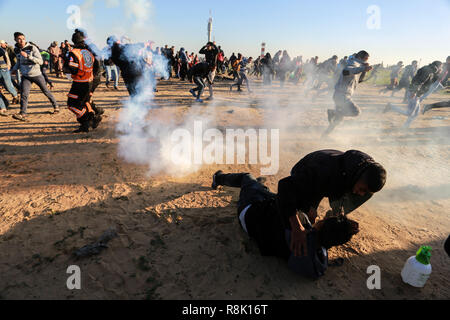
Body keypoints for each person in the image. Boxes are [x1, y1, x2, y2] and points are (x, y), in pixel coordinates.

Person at [211, 171, 360, 279]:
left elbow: (285, 195)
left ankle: (218, 178)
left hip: (250, 211)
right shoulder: (319, 260)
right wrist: (344, 231)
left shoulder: (299, 226)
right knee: (265, 191)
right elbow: (328, 236)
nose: (323, 218)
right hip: (260, 220)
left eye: (325, 220)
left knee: (246, 178)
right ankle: (259, 186)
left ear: (321, 226)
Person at [277, 149, 387, 258]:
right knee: (301, 215)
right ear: (358, 176)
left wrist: (343, 224)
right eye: (362, 189)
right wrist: (297, 227)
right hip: (307, 170)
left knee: (319, 216)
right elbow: (285, 185)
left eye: (365, 191)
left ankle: (334, 214)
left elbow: (332, 187)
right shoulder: (324, 171)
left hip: (335, 178)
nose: (361, 194)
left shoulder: (365, 170)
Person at [11, 32, 59, 121]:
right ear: (15, 40)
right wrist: (14, 69)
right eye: (19, 39)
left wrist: (28, 56)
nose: (21, 41)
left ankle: (56, 106)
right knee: (24, 94)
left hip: (36, 74)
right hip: (25, 76)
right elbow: (19, 61)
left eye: (23, 38)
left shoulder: (32, 48)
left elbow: (40, 61)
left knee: (45, 91)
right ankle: (23, 113)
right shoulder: (16, 49)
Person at [324, 51, 372, 137]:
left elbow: (359, 80)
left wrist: (364, 70)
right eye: (365, 59)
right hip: (342, 95)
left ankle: (325, 135)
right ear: (361, 57)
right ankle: (333, 112)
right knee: (356, 112)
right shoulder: (353, 62)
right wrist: (363, 68)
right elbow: (346, 71)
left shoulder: (357, 64)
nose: (365, 61)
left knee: (338, 119)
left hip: (340, 95)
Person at [384, 61, 443, 127]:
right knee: (410, 113)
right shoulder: (428, 71)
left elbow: (426, 82)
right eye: (441, 67)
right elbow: (420, 81)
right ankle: (391, 107)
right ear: (438, 66)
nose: (442, 68)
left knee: (415, 114)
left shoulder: (431, 71)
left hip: (416, 93)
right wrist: (414, 92)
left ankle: (405, 126)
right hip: (414, 92)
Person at [64, 30, 102, 133]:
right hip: (89, 81)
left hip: (80, 83)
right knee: (84, 102)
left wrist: (66, 67)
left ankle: (89, 119)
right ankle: (86, 123)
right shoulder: (88, 52)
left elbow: (73, 69)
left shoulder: (74, 52)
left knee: (72, 104)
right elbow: (95, 65)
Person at [0, 41, 20, 109]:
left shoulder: (3, 50)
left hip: (3, 69)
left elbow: (6, 57)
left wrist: (8, 65)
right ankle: (4, 104)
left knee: (8, 86)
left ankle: (15, 96)